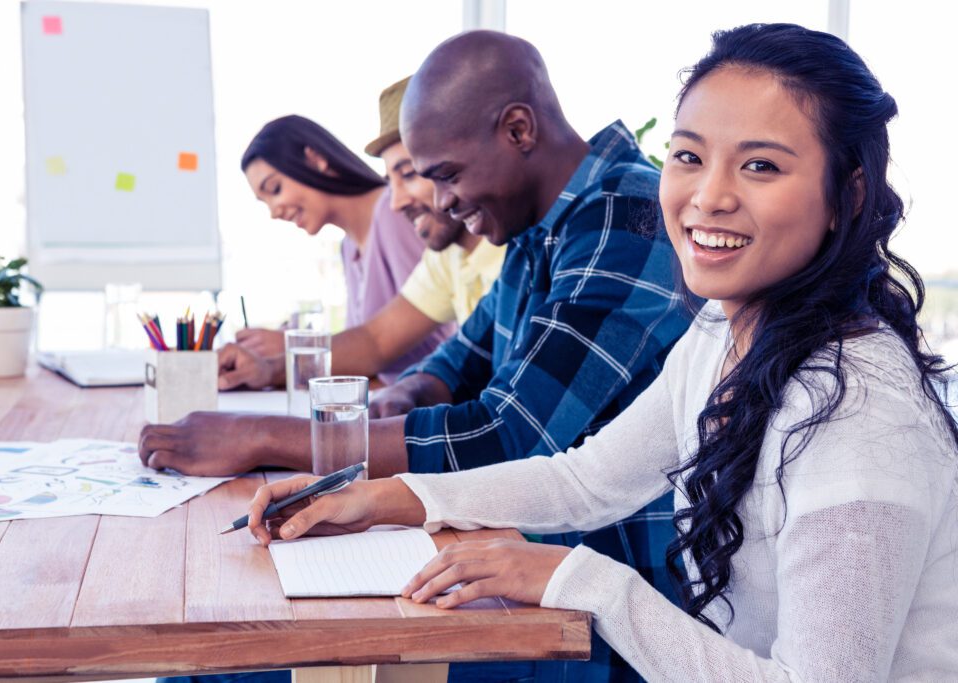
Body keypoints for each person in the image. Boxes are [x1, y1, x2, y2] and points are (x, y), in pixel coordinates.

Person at [245, 23, 958, 681]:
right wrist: (381, 499)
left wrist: (580, 579)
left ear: (848, 194)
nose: (707, 197)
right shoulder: (724, 332)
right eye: (688, 156)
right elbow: (587, 480)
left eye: (761, 166)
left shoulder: (861, 412)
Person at [141, 31, 688, 681]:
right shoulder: (541, 230)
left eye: (446, 175)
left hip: (610, 621)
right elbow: (457, 364)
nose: (439, 200)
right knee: (217, 649)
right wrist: (400, 398)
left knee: (221, 662)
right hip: (535, 567)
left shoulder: (625, 217)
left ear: (518, 130)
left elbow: (510, 432)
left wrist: (264, 432)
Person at [218, 77, 506, 392]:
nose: (397, 201)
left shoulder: (402, 219)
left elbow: (419, 352)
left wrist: (289, 355)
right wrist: (273, 366)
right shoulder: (446, 253)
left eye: (275, 189)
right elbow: (376, 339)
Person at [236, 115, 452, 384]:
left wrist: (292, 351)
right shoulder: (348, 247)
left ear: (315, 159)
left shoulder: (394, 213)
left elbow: (437, 338)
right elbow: (370, 346)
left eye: (275, 189)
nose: (273, 211)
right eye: (264, 201)